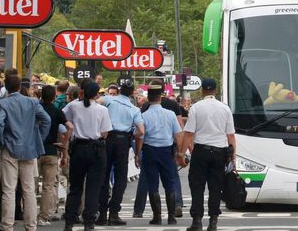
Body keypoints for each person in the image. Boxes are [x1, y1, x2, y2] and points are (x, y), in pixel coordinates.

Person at [0, 74, 51, 231]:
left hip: (9, 149)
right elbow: (46, 120)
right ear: (20, 87)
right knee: (29, 190)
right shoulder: (32, 102)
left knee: (9, 190)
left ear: (7, 87)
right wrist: (38, 138)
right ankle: (31, 226)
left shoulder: (2, 104)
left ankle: (7, 226)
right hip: (29, 148)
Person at [177, 78, 235, 231]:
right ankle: (213, 221)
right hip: (219, 153)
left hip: (201, 151)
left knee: (197, 187)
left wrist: (181, 154)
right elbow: (231, 136)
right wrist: (233, 157)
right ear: (215, 91)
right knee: (216, 187)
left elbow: (189, 133)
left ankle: (197, 221)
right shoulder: (225, 109)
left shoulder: (196, 107)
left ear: (202, 90)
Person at [63, 81, 111, 231]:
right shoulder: (102, 110)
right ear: (96, 94)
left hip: (78, 148)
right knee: (93, 188)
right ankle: (89, 222)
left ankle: (69, 221)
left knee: (75, 187)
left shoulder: (73, 106)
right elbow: (105, 133)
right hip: (96, 149)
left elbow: (64, 119)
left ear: (82, 92)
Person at [96, 78, 145, 226]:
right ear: (131, 93)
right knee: (120, 178)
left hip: (107, 139)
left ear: (119, 90)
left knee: (103, 176)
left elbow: (96, 103)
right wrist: (133, 140)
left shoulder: (108, 100)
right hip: (123, 142)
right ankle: (114, 213)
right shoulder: (134, 109)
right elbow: (141, 131)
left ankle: (102, 213)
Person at [135, 83, 182, 226]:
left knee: (153, 185)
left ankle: (157, 216)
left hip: (150, 151)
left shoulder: (144, 115)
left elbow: (140, 137)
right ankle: (172, 217)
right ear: (161, 97)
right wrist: (179, 153)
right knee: (170, 184)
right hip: (167, 152)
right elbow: (178, 135)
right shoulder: (171, 114)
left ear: (148, 98)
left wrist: (138, 154)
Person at [38, 85, 73, 226]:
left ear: (41, 96)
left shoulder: (36, 110)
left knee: (29, 187)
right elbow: (69, 127)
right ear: (54, 97)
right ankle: (43, 216)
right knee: (48, 185)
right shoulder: (57, 112)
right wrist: (63, 146)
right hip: (52, 151)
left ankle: (27, 213)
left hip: (34, 151)